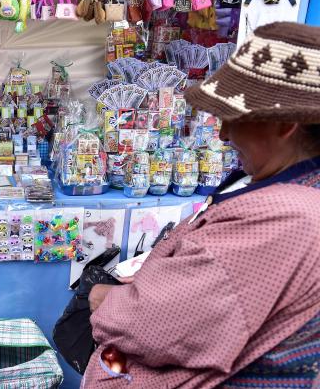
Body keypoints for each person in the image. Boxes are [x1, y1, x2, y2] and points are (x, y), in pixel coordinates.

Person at [83, 22, 320, 388]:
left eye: (234, 118)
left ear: (284, 123)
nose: (223, 134)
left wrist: (106, 301)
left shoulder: (287, 218)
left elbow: (155, 324)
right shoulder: (288, 188)